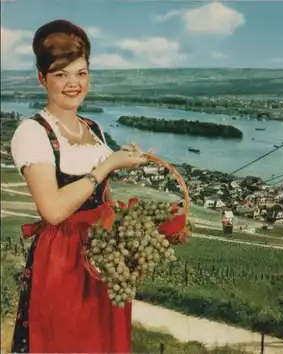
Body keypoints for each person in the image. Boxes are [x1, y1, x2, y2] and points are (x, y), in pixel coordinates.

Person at [10, 19, 149, 353]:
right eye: (61, 74)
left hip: (103, 260)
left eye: (81, 73)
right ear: (41, 78)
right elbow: (53, 211)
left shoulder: (94, 127)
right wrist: (107, 165)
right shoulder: (33, 132)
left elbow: (106, 201)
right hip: (62, 263)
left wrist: (142, 233)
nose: (73, 84)